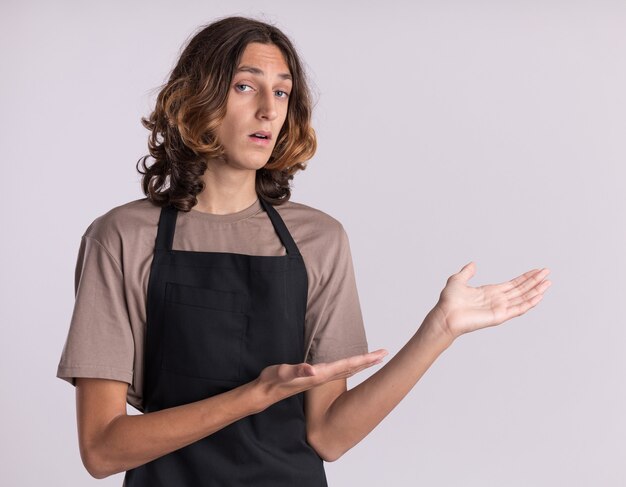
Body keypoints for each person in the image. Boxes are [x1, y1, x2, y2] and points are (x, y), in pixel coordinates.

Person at [56, 15, 552, 486]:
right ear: (196, 98)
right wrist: (254, 396)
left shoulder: (319, 240)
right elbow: (102, 450)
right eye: (245, 86)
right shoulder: (122, 236)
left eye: (282, 92)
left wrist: (438, 331)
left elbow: (329, 436)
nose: (269, 110)